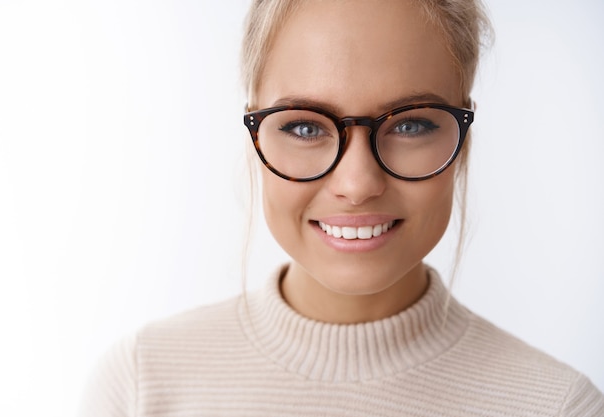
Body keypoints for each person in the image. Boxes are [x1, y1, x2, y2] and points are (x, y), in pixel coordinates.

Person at [79, 0, 604, 415]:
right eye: (304, 126)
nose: (357, 183)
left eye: (411, 124)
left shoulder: (557, 407)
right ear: (255, 137)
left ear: (462, 138)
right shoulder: (140, 385)